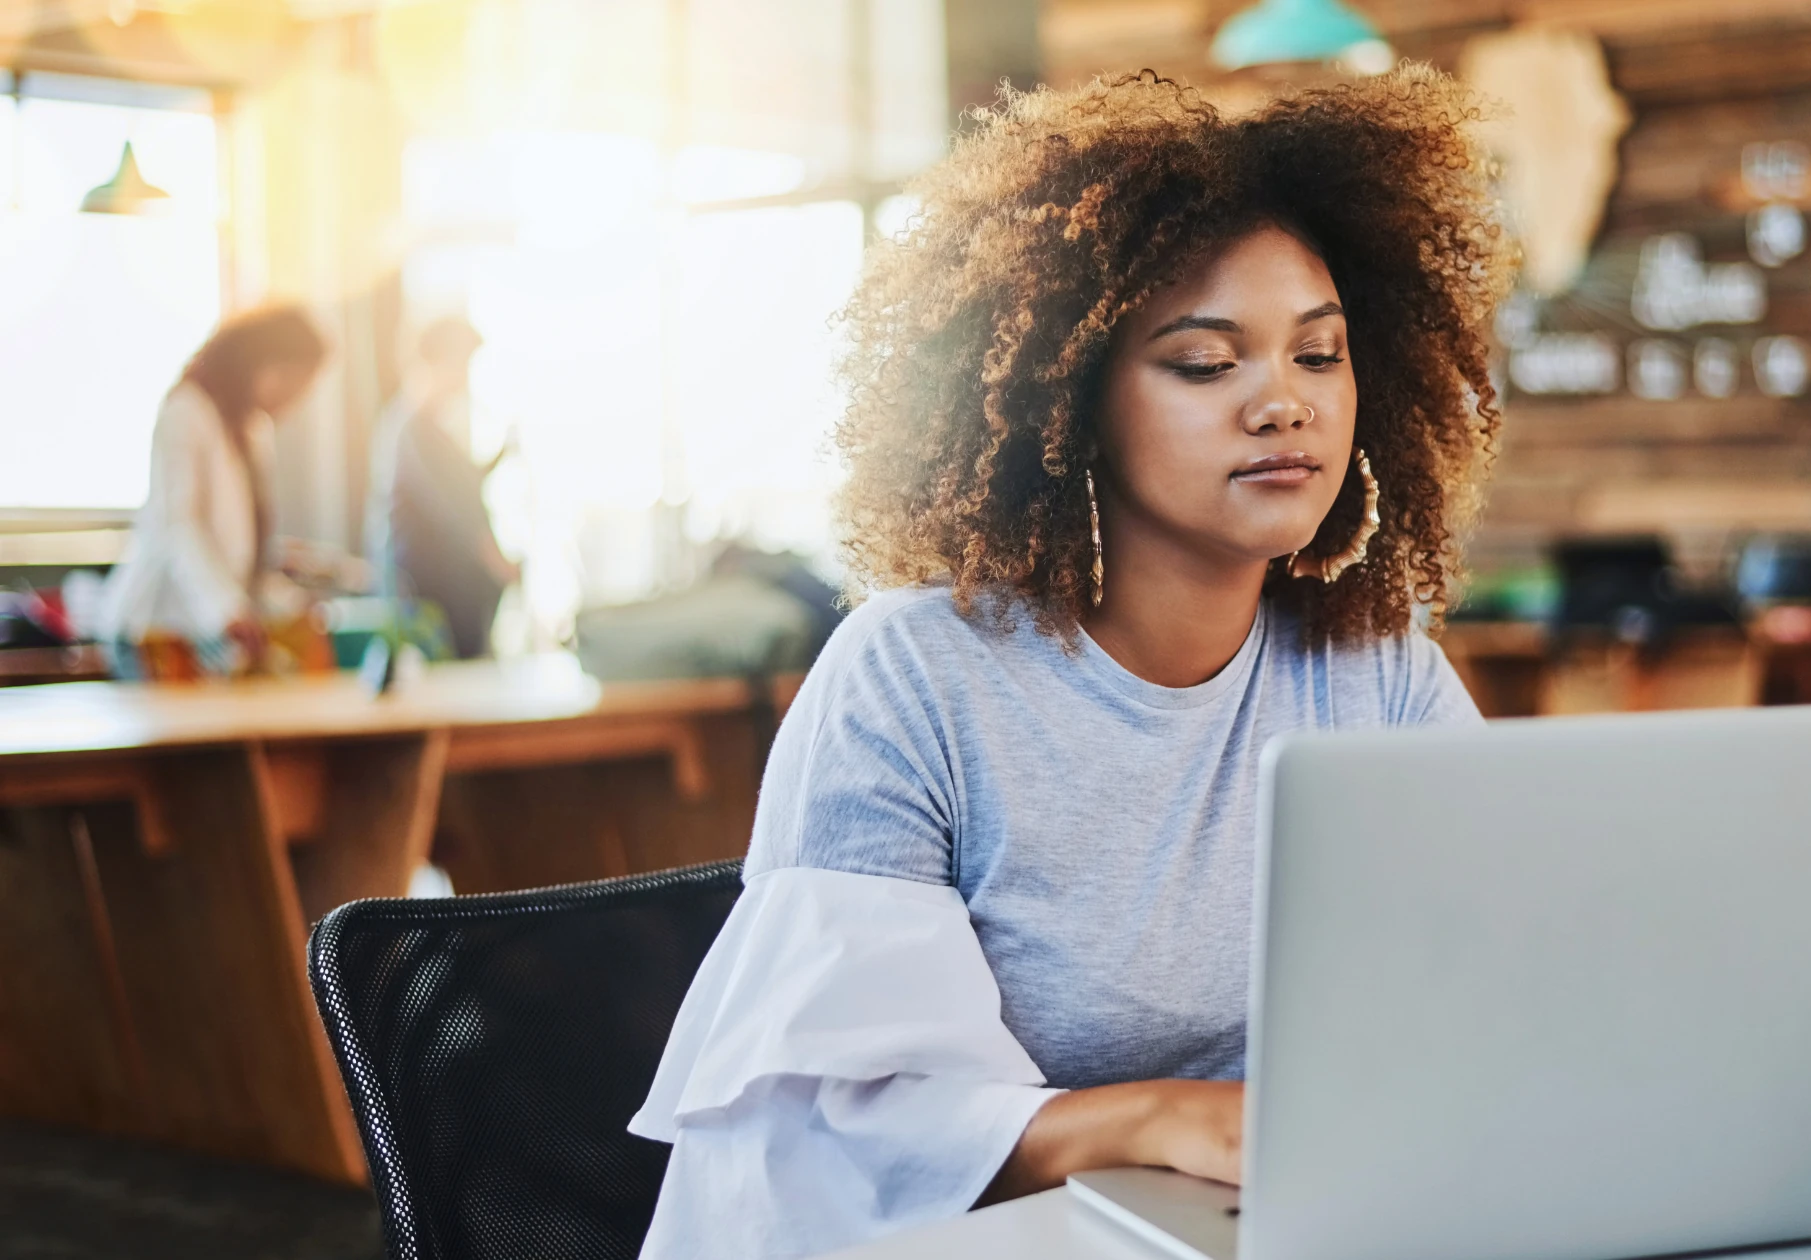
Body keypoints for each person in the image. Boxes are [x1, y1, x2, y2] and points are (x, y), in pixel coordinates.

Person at [629, 66, 1512, 1259]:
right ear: (1071, 397)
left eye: (1318, 356)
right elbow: (835, 1128)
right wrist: (1155, 1121)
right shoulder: (912, 675)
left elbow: (1497, 986)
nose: (1282, 404)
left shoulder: (1377, 672)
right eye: (1206, 364)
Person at [101, 305, 327, 678]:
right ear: (259, 361)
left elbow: (246, 554)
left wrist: (290, 604)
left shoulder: (253, 431)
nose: (293, 396)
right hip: (156, 626)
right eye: (290, 379)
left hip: (204, 630)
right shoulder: (186, 411)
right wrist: (227, 609)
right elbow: (181, 527)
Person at [365, 316, 518, 659]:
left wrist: (500, 456)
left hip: (438, 592)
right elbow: (455, 508)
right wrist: (500, 564)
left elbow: (459, 485)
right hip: (428, 595)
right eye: (461, 364)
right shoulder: (413, 429)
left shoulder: (424, 428)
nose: (464, 378)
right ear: (433, 362)